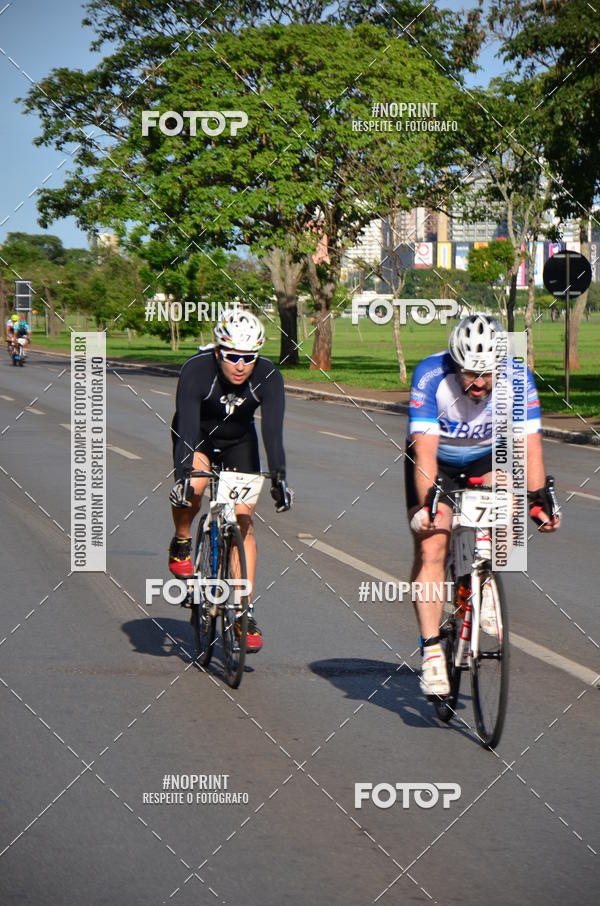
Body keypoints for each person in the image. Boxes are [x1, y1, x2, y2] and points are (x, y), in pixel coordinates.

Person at [405, 313, 560, 697]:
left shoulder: (517, 379)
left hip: (484, 459)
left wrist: (539, 501)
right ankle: (431, 654)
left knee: (509, 492)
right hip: (437, 461)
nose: (480, 383)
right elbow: (424, 455)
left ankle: (484, 577)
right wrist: (428, 504)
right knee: (433, 542)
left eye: (488, 373)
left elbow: (529, 446)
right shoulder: (429, 377)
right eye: (471, 373)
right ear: (455, 364)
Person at [168, 308, 292, 652]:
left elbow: (272, 433)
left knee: (244, 521)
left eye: (249, 357)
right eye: (233, 356)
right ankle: (180, 540)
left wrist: (279, 477)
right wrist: (182, 475)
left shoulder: (268, 376)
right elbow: (189, 430)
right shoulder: (196, 371)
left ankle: (242, 612)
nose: (241, 365)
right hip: (199, 436)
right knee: (193, 489)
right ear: (218, 350)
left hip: (239, 441)